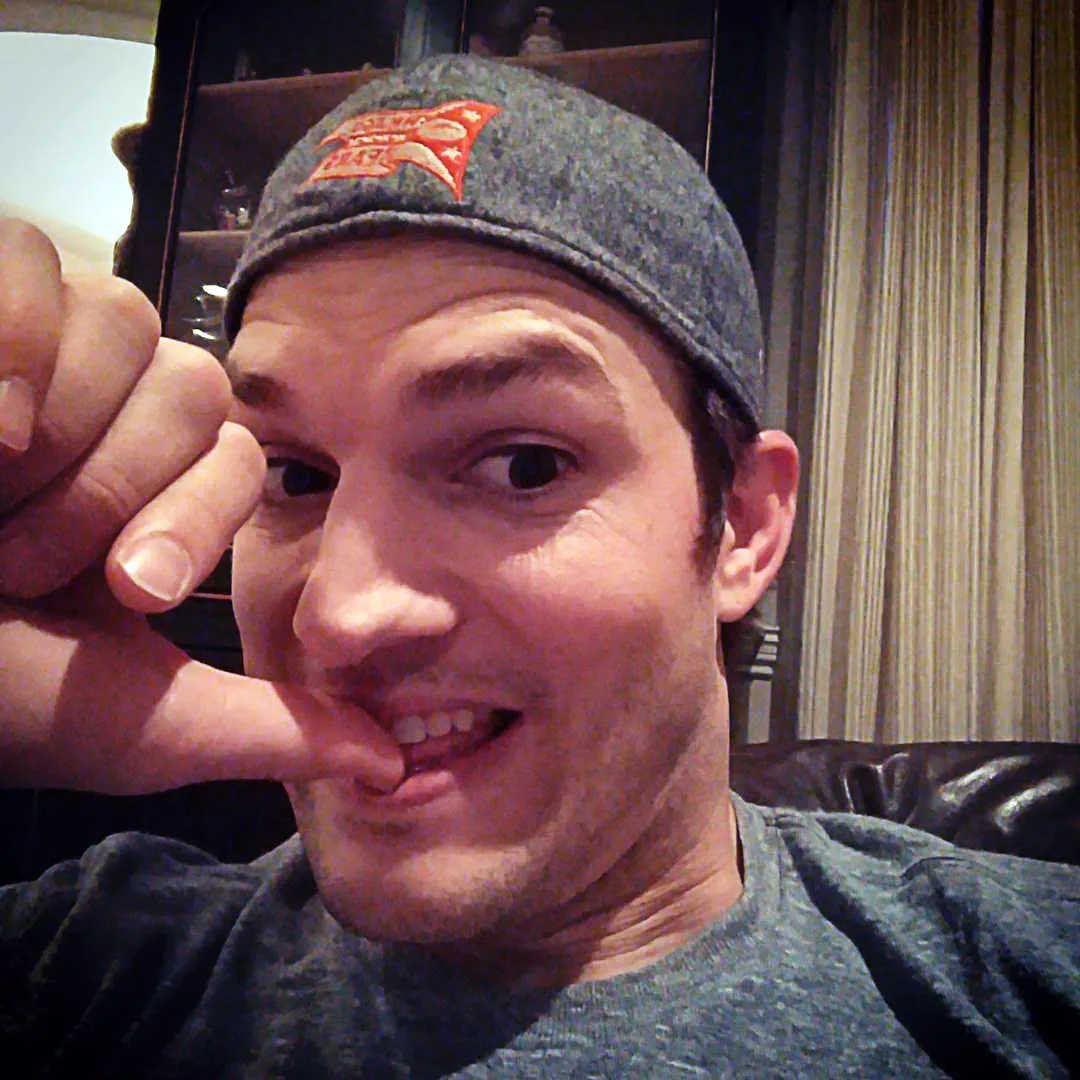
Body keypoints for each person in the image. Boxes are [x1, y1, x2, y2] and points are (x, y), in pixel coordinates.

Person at [0, 55, 1075, 1078]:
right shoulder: (82, 970)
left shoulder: (1025, 976)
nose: (339, 616)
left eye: (524, 465)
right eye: (294, 475)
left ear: (743, 525)